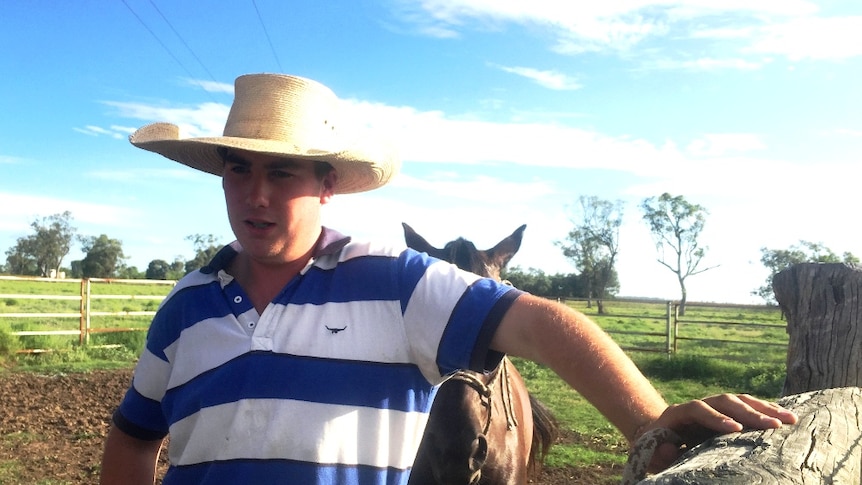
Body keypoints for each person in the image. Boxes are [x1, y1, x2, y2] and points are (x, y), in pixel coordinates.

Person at [99, 73, 797, 485]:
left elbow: (540, 323)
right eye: (238, 170)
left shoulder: (399, 285)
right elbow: (134, 436)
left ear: (327, 185)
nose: (254, 195)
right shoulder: (185, 309)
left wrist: (648, 420)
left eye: (281, 171)